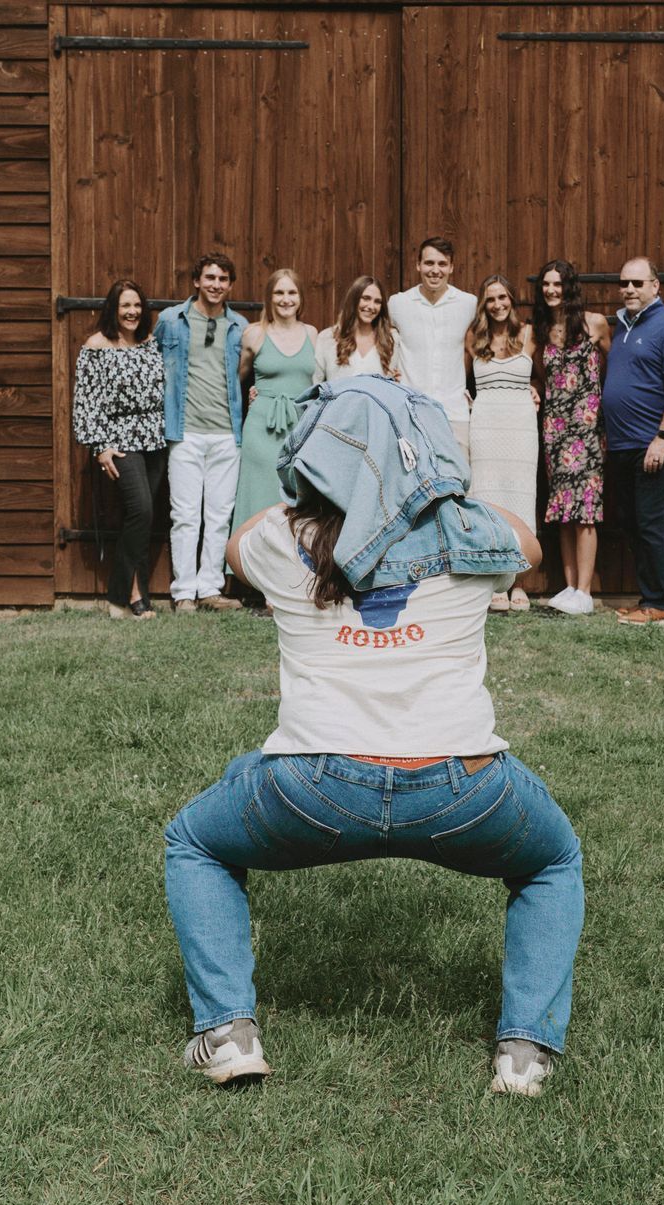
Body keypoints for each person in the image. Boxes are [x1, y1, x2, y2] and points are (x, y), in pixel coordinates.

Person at [163, 374, 584, 1097]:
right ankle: (524, 1055)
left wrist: (322, 493)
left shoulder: (277, 541)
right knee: (553, 860)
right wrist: (434, 490)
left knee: (195, 839)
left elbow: (233, 547)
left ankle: (228, 1035)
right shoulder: (470, 535)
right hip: (463, 785)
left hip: (316, 784)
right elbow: (532, 547)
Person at [602, 256, 664, 626]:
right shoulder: (623, 326)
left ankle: (660, 604)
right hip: (623, 445)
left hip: (654, 444)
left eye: (638, 283)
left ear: (656, 286)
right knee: (632, 523)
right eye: (624, 283)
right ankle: (648, 598)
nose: (629, 289)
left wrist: (662, 437)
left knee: (652, 523)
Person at [156, 252, 248, 612]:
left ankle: (210, 589)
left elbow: (245, 372)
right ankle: (183, 593)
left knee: (219, 514)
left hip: (227, 434)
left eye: (223, 279)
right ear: (196, 281)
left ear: (230, 285)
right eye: (210, 278)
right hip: (185, 432)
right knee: (185, 515)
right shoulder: (171, 321)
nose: (216, 285)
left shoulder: (239, 326)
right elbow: (153, 365)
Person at [71, 278, 167, 619]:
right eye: (125, 305)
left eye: (137, 305)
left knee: (142, 516)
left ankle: (129, 592)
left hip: (154, 437)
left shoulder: (149, 342)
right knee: (140, 508)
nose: (132, 312)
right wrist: (101, 447)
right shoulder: (96, 346)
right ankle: (130, 594)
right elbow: (86, 402)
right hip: (119, 441)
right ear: (113, 308)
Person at [533, 260, 610, 617]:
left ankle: (585, 590)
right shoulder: (542, 330)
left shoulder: (594, 323)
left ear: (570, 287)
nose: (551, 290)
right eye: (546, 284)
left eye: (557, 284)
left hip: (586, 428)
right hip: (555, 430)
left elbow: (619, 364)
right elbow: (540, 378)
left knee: (585, 511)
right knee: (563, 510)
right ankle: (569, 587)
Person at [464, 275, 541, 612]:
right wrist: (463, 396)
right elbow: (459, 376)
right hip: (485, 422)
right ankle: (494, 580)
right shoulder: (474, 337)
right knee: (487, 497)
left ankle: (520, 581)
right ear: (484, 304)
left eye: (503, 298)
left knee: (521, 495)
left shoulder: (528, 334)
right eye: (491, 299)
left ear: (512, 300)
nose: (497, 305)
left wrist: (536, 388)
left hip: (520, 423)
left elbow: (542, 373)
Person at [234, 268, 320, 537]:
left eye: (291, 292)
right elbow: (237, 380)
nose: (286, 299)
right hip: (261, 427)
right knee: (259, 494)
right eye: (279, 292)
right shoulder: (254, 334)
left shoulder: (312, 334)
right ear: (269, 297)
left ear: (300, 297)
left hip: (300, 427)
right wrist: (252, 395)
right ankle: (247, 563)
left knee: (296, 497)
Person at [388, 236, 476, 459]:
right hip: (410, 410)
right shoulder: (398, 304)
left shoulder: (468, 304)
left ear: (451, 267)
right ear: (418, 265)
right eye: (429, 263)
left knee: (458, 481)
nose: (435, 270)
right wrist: (388, 369)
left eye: (442, 264)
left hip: (454, 411)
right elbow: (378, 337)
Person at [315, 276, 398, 382]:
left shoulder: (390, 339)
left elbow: (392, 384)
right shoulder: (327, 338)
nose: (371, 306)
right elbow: (316, 384)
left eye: (377, 301)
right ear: (353, 299)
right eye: (366, 298)